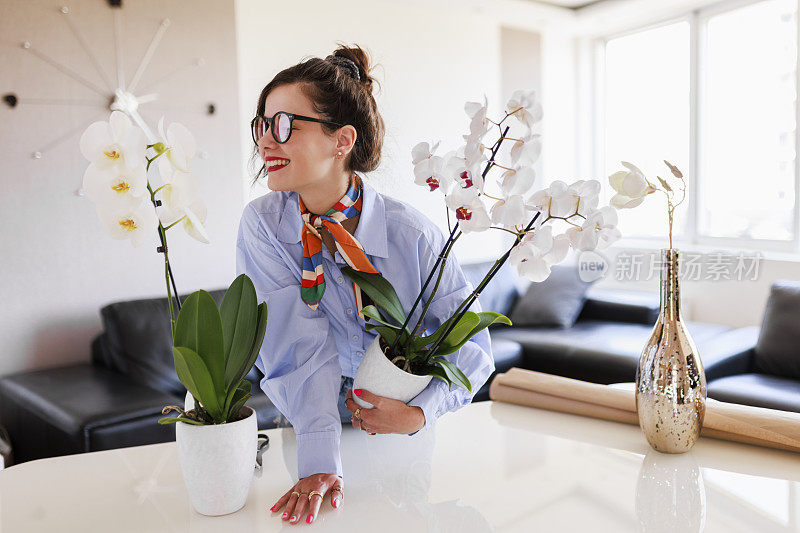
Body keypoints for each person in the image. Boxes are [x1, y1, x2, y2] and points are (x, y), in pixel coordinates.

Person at [235, 43, 494, 526]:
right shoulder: (265, 226)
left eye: (286, 125)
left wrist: (419, 414)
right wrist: (318, 459)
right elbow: (294, 346)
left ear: (342, 140)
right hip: (313, 426)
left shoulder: (412, 235)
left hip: (402, 422)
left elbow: (473, 346)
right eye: (262, 125)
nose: (266, 142)